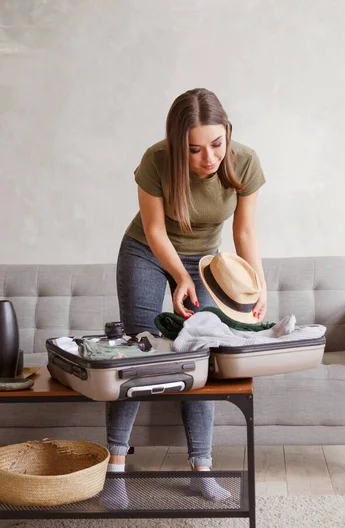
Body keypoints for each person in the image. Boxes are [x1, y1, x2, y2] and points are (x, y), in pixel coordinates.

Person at [106, 87, 266, 502]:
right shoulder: (157, 160)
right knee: (139, 353)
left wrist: (258, 283)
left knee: (200, 352)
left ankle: (201, 470)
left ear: (227, 133)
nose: (209, 158)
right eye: (194, 150)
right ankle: (116, 471)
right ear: (178, 145)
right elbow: (155, 231)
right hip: (146, 251)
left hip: (205, 260)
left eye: (216, 144)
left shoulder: (244, 162)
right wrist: (180, 276)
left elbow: (244, 231)